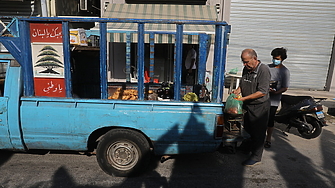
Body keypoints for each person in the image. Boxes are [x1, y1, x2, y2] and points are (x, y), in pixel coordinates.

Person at [232, 49, 271, 166]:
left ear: (254, 59)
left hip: (260, 106)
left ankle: (256, 156)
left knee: (258, 132)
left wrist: (243, 98)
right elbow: (243, 84)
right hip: (248, 105)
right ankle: (246, 148)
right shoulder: (246, 68)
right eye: (243, 62)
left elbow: (262, 92)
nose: (244, 64)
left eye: (247, 61)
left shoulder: (263, 70)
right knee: (248, 128)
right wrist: (237, 91)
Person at [265, 47, 290, 148]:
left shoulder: (285, 71)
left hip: (273, 101)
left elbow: (285, 87)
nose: (275, 60)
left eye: (277, 58)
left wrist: (276, 92)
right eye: (274, 58)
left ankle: (268, 139)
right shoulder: (266, 67)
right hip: (262, 99)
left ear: (282, 59)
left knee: (270, 120)